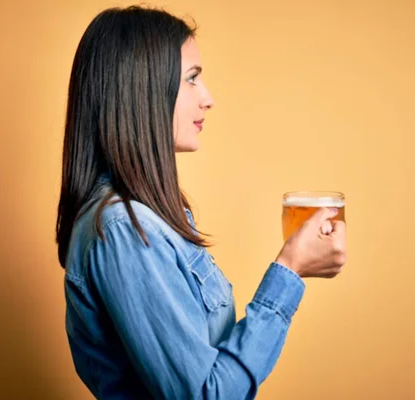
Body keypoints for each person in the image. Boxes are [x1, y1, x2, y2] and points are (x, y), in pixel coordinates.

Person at [55, 5, 347, 399]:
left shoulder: (146, 217)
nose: (208, 99)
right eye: (192, 79)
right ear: (142, 90)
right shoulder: (124, 231)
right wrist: (288, 270)